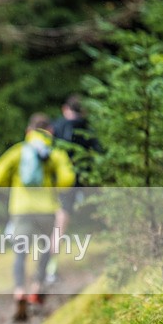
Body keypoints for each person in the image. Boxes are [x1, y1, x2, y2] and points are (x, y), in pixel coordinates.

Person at [0, 113, 75, 322]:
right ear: (51, 132)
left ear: (28, 131)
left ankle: (20, 290)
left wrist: (12, 185)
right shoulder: (54, 153)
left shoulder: (18, 151)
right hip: (46, 208)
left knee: (20, 252)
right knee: (45, 249)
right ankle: (37, 287)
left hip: (21, 208)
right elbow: (68, 179)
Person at [47, 94, 103, 283]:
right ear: (84, 110)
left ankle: (51, 269)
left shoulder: (56, 126)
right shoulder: (87, 127)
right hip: (87, 181)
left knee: (60, 224)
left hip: (61, 184)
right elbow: (100, 152)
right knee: (102, 213)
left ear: (65, 108)